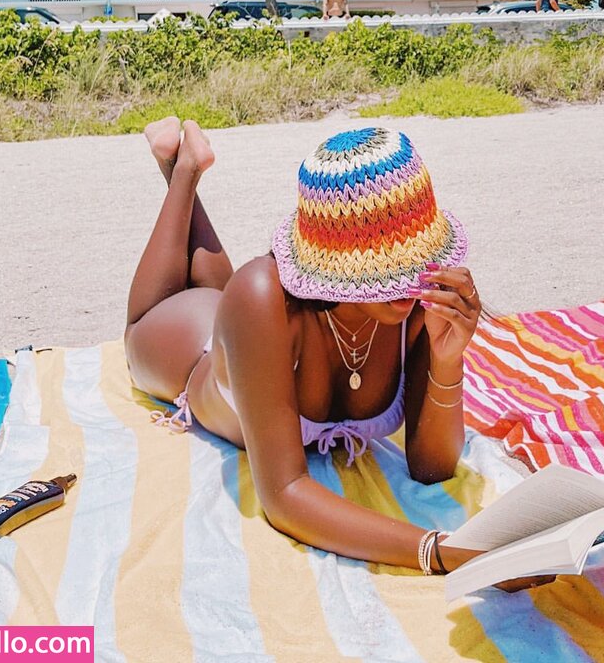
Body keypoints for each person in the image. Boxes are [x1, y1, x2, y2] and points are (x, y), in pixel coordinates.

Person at [125, 120, 549, 586]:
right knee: (144, 323)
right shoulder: (260, 295)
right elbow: (284, 494)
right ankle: (181, 169)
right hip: (189, 354)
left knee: (221, 291)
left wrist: (448, 360)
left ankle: (181, 159)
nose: (409, 281)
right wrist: (444, 552)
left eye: (415, 260)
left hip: (248, 333)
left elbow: (432, 467)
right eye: (385, 269)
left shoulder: (416, 302)